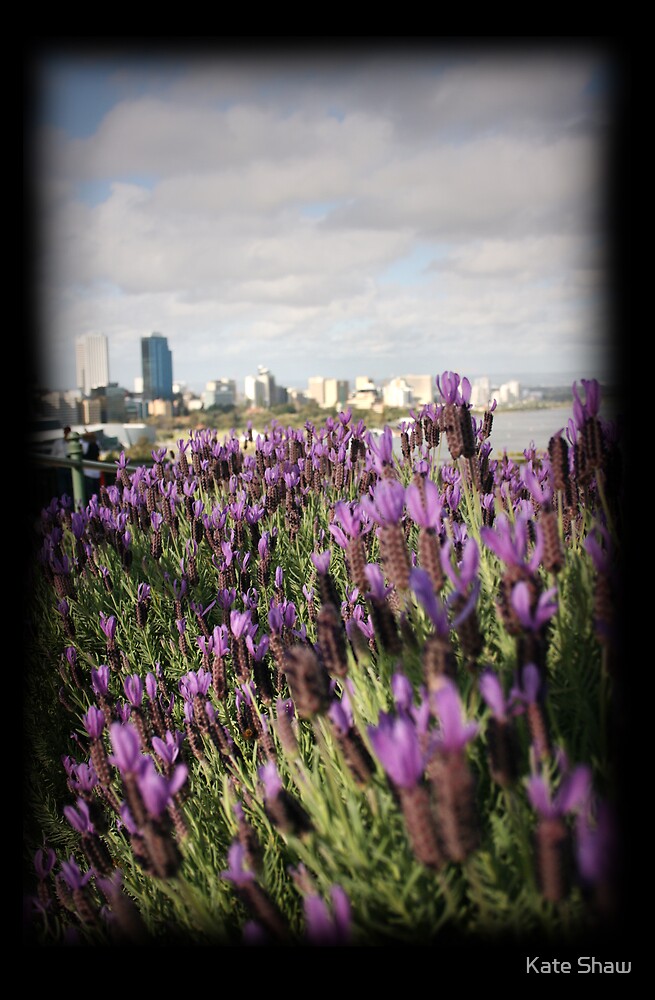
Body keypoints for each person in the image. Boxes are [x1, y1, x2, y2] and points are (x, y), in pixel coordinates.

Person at [51, 425, 73, 497]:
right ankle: (64, 504)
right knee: (62, 488)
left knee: (71, 488)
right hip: (61, 468)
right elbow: (53, 455)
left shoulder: (72, 443)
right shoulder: (58, 442)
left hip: (71, 468)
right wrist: (55, 465)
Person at [81, 431, 101, 503]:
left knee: (90, 494)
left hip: (88, 472)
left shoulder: (83, 444)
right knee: (96, 493)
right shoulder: (96, 443)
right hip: (95, 472)